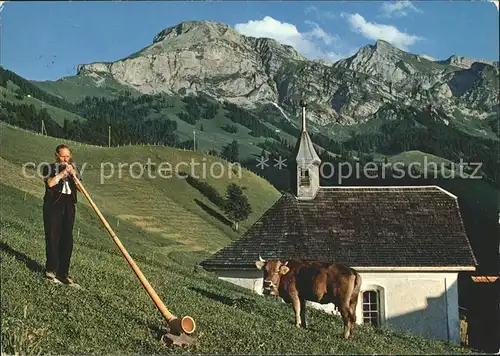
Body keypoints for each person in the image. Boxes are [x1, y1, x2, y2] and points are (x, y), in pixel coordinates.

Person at [42, 144, 82, 288]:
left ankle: (63, 273)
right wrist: (61, 173)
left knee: (67, 238)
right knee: (53, 236)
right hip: (53, 205)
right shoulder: (48, 167)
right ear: (56, 156)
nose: (66, 159)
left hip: (69, 204)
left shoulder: (74, 169)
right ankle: (51, 271)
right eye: (63, 156)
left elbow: (80, 188)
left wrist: (74, 175)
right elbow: (51, 184)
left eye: (68, 156)